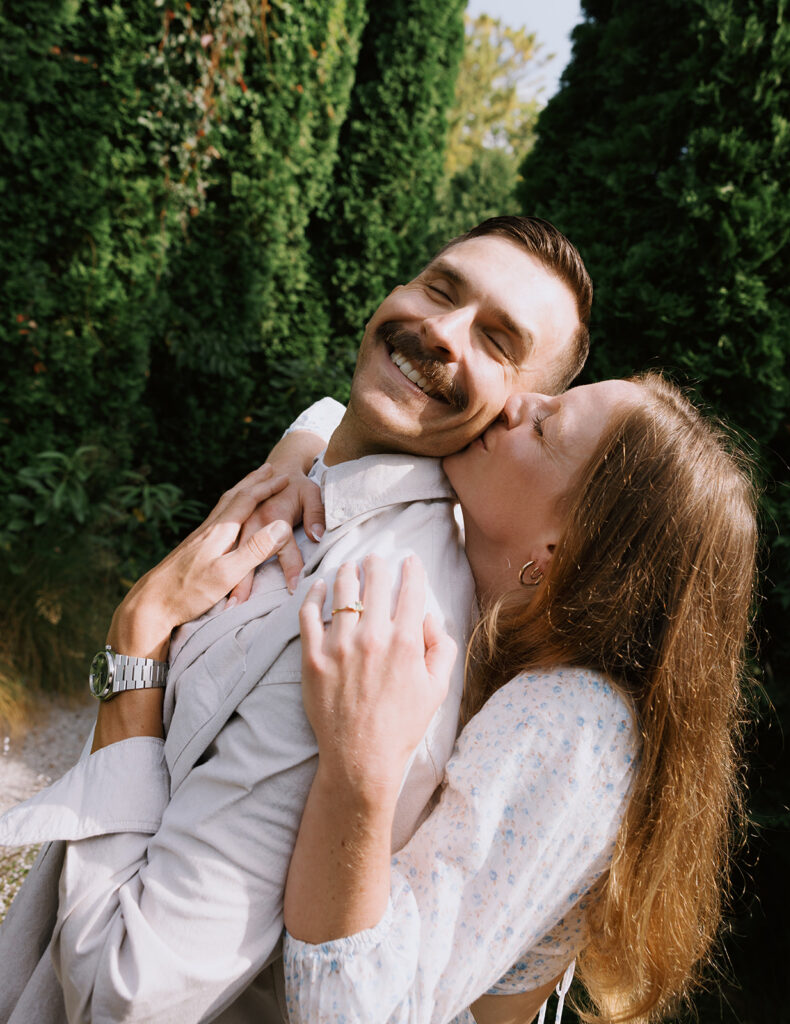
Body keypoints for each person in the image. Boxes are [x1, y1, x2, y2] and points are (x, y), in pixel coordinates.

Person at [0, 216, 593, 1024]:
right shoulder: (329, 477)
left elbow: (127, 994)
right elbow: (326, 409)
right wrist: (291, 455)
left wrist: (135, 641)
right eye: (439, 289)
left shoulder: (362, 622)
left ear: (511, 418)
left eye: (495, 340)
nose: (439, 331)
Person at [279, 373, 757, 1024]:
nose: (512, 402)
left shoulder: (571, 719)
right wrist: (290, 466)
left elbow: (354, 1010)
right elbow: (335, 411)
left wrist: (356, 771)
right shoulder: (484, 587)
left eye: (543, 426)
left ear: (557, 550)